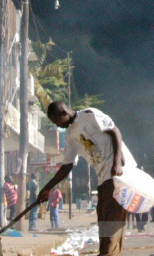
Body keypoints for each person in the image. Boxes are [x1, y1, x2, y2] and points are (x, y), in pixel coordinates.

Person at [38, 102, 137, 256]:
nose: (58, 125)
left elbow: (115, 132)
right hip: (103, 180)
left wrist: (117, 164)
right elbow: (67, 166)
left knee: (112, 224)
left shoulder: (89, 115)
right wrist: (47, 188)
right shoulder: (70, 137)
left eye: (57, 121)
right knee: (104, 224)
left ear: (64, 113)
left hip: (117, 176)